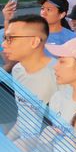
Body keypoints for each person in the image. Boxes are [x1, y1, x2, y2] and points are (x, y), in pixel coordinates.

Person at [2, 15, 57, 144]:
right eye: (5, 38)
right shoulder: (17, 70)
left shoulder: (58, 75)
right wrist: (8, 141)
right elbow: (25, 115)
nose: (3, 44)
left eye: (11, 39)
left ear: (34, 42)